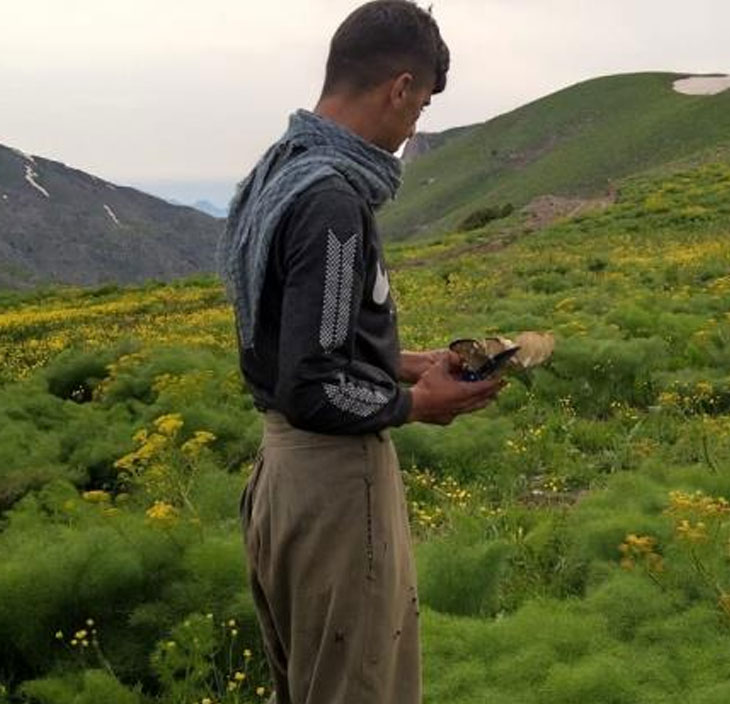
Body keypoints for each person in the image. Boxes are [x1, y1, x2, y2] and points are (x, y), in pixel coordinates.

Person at [217, 2, 503, 702]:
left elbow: (294, 341)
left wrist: (405, 359)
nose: (414, 128)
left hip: (281, 482)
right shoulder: (333, 202)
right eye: (421, 105)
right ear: (399, 87)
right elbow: (312, 386)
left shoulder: (277, 171)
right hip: (334, 487)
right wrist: (417, 403)